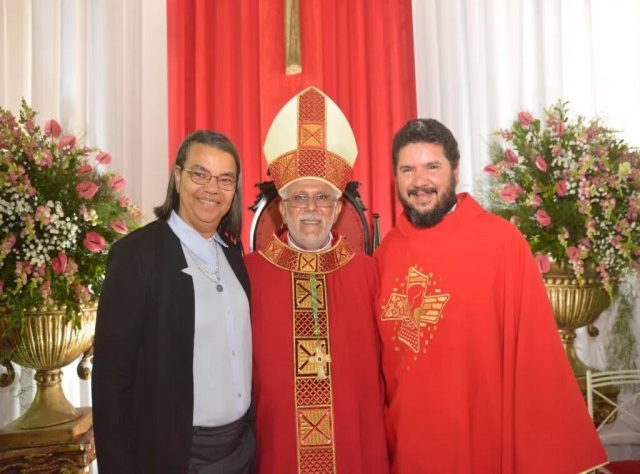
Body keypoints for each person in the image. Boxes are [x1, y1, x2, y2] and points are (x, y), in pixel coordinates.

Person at [374, 118, 608, 473]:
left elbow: (535, 355)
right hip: (408, 447)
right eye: (408, 169)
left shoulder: (501, 243)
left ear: (454, 170)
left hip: (481, 442)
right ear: (395, 177)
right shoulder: (386, 252)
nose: (419, 182)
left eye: (431, 167)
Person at [244, 86, 388, 474]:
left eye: (322, 197)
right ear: (283, 207)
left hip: (354, 445)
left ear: (339, 207)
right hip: (279, 447)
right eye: (299, 198)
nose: (311, 209)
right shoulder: (250, 274)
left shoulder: (368, 274)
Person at [92, 130, 254, 473]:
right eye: (200, 174)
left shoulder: (235, 256)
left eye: (225, 179)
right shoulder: (137, 256)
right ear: (178, 178)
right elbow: (111, 381)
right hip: (175, 453)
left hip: (241, 451)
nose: (212, 189)